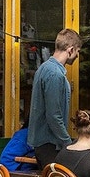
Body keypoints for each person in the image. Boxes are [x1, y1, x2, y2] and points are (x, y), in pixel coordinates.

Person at [27, 29, 81, 168]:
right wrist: (67, 142)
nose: (77, 56)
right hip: (50, 144)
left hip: (43, 143)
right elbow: (54, 115)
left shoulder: (44, 68)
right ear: (70, 50)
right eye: (77, 51)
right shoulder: (55, 74)